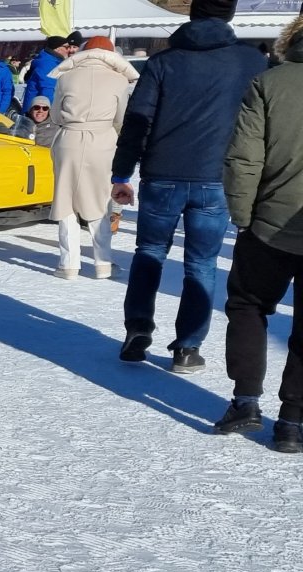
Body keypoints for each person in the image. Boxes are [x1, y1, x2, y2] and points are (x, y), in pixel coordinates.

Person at [110, 0, 269, 371]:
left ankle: (137, 328)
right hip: (216, 176)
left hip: (162, 173)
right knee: (202, 264)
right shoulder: (251, 62)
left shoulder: (164, 62)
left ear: (192, 14)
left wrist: (121, 174)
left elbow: (138, 120)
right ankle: (187, 347)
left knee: (149, 252)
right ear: (230, 15)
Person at [217, 14, 303, 450]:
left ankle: (246, 401)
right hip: (277, 219)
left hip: (269, 220)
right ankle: (292, 421)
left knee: (248, 304)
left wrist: (242, 213)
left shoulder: (270, 82)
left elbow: (245, 156)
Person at [48, 37, 137, 280]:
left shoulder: (66, 76)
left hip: (69, 139)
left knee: (66, 201)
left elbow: (55, 114)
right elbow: (120, 119)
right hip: (103, 141)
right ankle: (103, 263)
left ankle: (68, 265)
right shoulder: (119, 80)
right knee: (100, 200)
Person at [23, 36, 72, 113]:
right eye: (67, 47)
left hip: (37, 110)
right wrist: (51, 112)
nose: (69, 50)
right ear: (57, 49)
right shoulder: (48, 64)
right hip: (38, 112)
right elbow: (47, 90)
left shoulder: (52, 61)